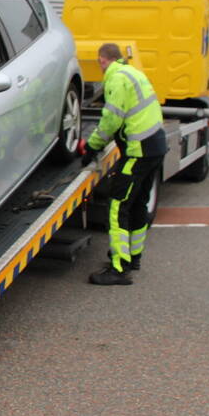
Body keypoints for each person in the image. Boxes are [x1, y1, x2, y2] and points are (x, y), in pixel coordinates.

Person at [79, 43, 166, 285]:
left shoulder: (116, 79)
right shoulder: (134, 72)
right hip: (155, 145)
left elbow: (111, 120)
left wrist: (93, 146)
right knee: (138, 203)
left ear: (102, 60)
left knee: (117, 206)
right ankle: (134, 257)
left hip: (138, 151)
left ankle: (118, 269)